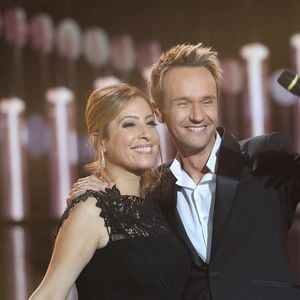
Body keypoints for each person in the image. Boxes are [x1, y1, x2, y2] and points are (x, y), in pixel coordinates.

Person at [69, 43, 300, 300]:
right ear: (158, 112)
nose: (198, 115)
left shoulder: (264, 157)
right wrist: (92, 197)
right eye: (183, 103)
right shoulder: (152, 192)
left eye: (207, 101)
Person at [29, 83, 192, 300]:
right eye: (129, 125)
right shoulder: (92, 211)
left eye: (150, 123)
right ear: (100, 141)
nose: (145, 134)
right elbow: (47, 296)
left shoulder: (159, 204)